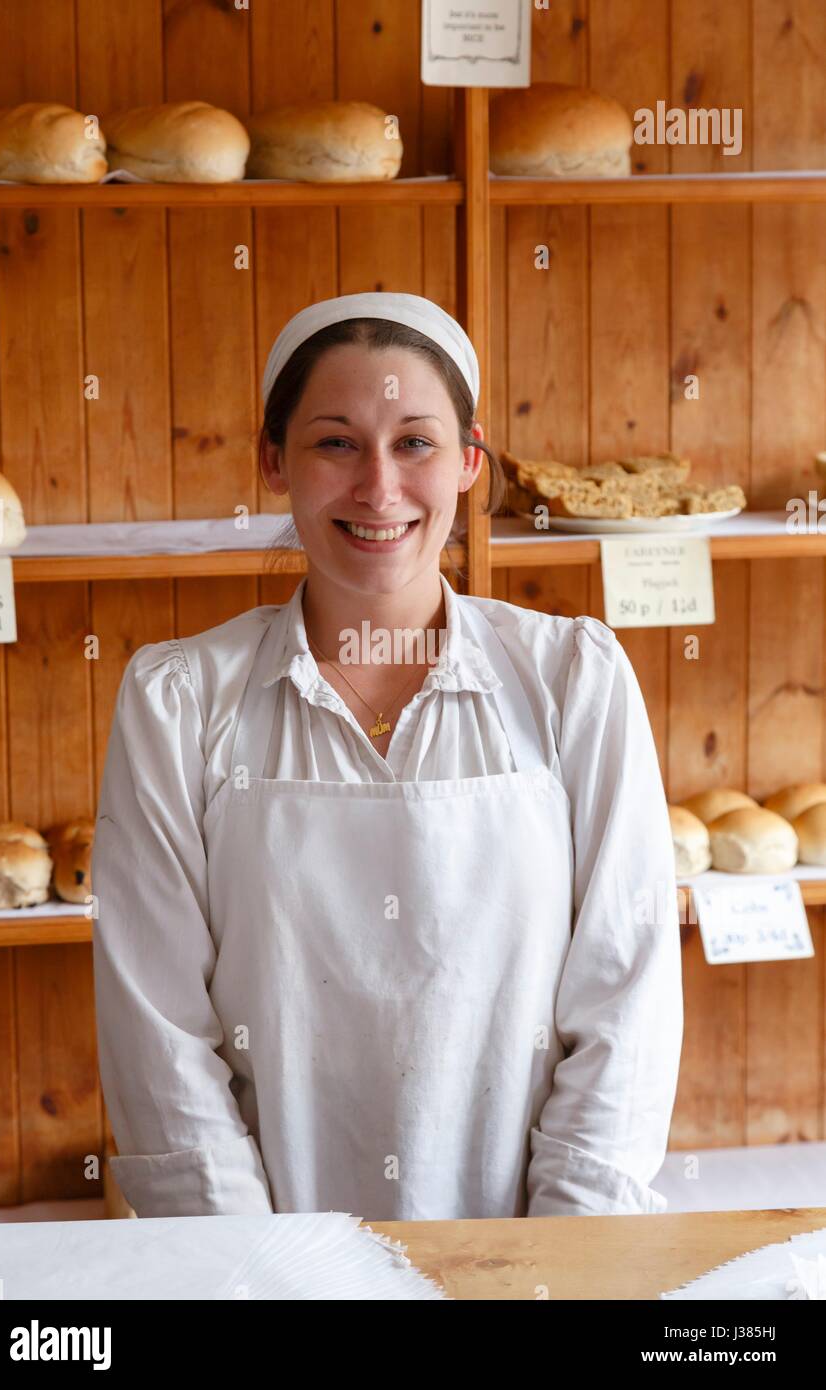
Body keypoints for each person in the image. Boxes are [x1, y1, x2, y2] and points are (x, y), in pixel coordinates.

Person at [91, 291, 683, 1221]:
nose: (378, 488)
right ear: (273, 460)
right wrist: (262, 1277)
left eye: (415, 442)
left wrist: (555, 1267)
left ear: (470, 462)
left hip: (527, 1272)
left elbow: (627, 1000)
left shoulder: (574, 682)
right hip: (267, 1278)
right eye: (335, 442)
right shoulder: (178, 701)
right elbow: (157, 1034)